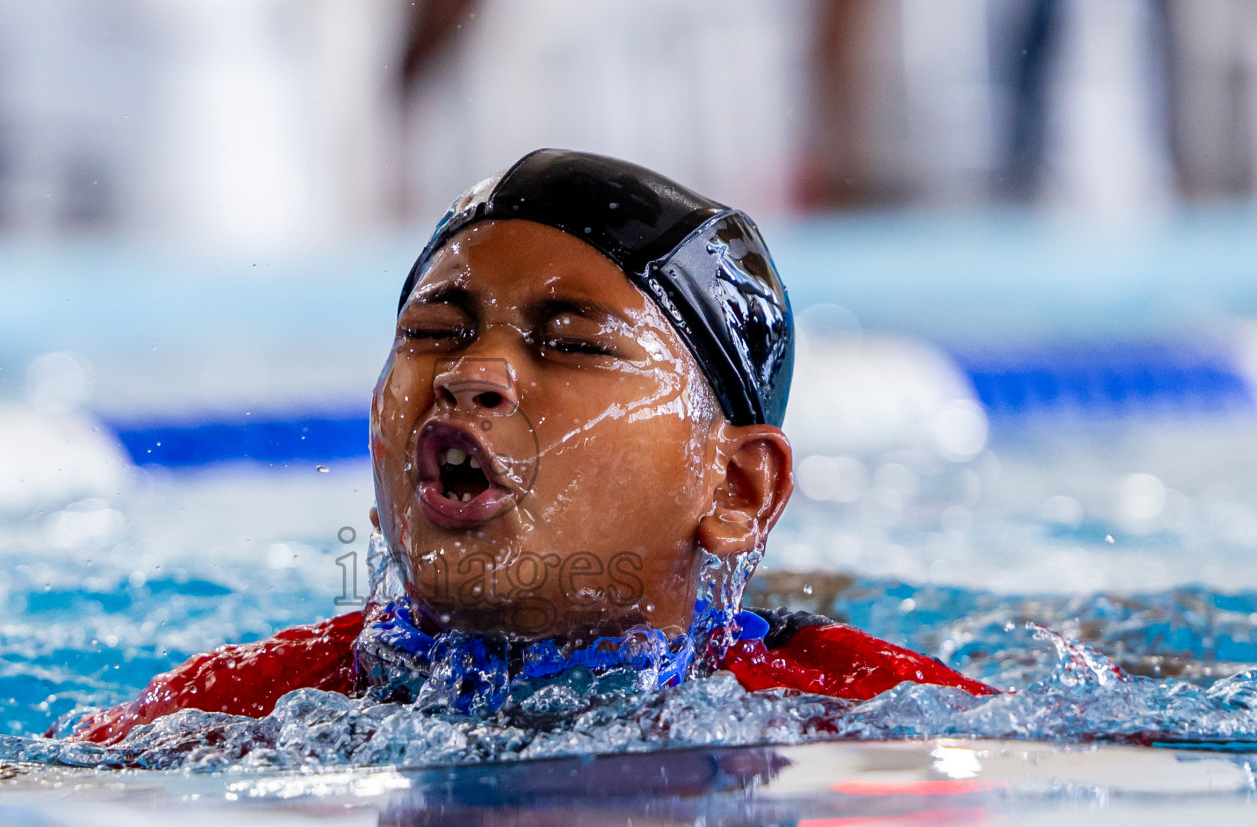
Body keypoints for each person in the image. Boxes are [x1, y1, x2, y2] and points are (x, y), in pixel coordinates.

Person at [69, 149, 991, 744]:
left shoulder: (864, 709)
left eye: (573, 343)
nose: (472, 374)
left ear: (737, 487)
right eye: (434, 330)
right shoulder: (239, 707)